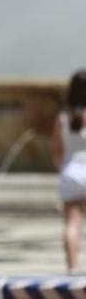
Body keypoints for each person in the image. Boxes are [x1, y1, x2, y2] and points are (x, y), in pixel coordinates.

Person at [55, 70, 86, 273]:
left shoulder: (63, 118)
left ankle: (72, 268)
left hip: (71, 171)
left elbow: (56, 152)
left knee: (72, 223)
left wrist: (63, 169)